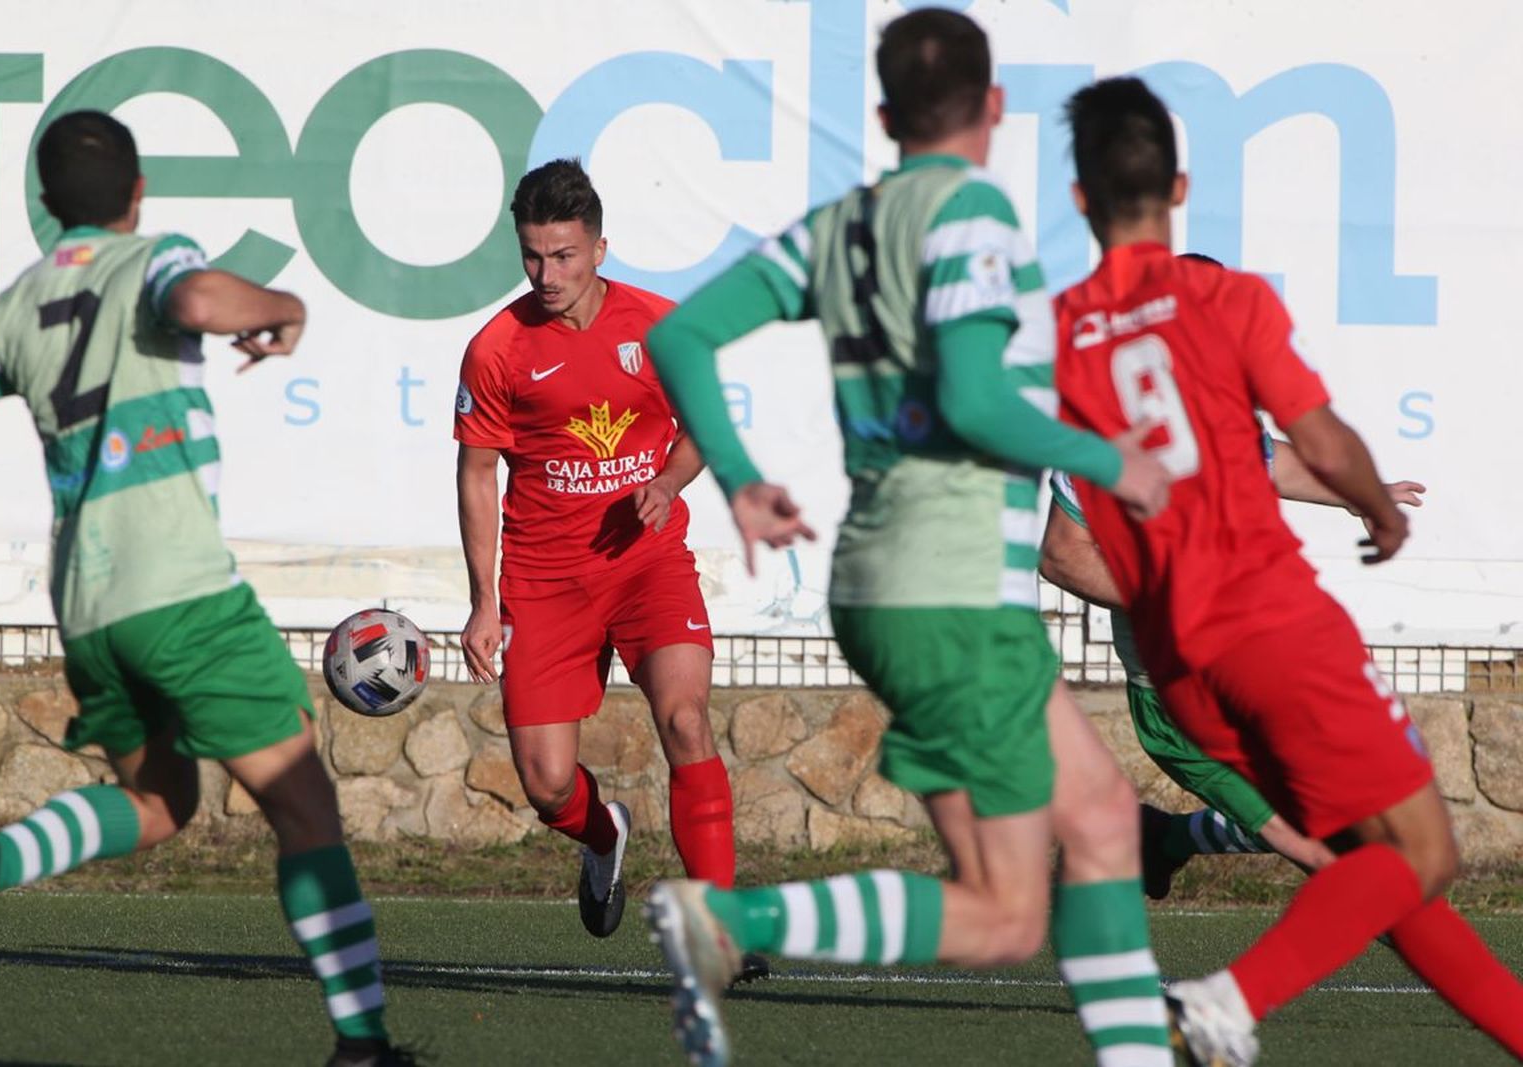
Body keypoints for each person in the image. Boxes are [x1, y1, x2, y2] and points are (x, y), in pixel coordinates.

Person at [643, 10, 1180, 1066]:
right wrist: (1114, 459)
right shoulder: (972, 213)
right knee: (1007, 912)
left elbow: (680, 332)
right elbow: (978, 400)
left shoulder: (842, 221)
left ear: (885, 116)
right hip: (956, 589)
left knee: (1107, 818)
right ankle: (730, 922)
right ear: (993, 107)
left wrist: (744, 481)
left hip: (880, 582)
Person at [0, 111, 412, 1067]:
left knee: (157, 802)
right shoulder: (154, 257)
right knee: (306, 811)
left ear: (43, 203)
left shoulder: (11, 307)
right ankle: (364, 1043)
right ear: (138, 193)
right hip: (182, 592)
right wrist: (285, 306)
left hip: (91, 610)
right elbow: (192, 300)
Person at [1053, 76, 1523, 1065]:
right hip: (1270, 625)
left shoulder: (1053, 339)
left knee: (1374, 865)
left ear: (1081, 198)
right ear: (1176, 186)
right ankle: (1228, 996)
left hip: (1182, 669)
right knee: (1425, 851)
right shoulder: (1224, 298)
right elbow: (1319, 434)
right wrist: (1380, 509)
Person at [1040, 261, 1427, 897]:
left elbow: (1271, 461)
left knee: (1351, 816)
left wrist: (1357, 492)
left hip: (1251, 662)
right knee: (1336, 857)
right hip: (1182, 692)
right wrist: (1172, 595)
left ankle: (1161, 840)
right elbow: (1061, 555)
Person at [454, 159, 746, 952]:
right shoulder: (498, 350)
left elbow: (703, 428)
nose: (547, 274)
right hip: (545, 584)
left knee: (685, 719)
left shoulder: (658, 329)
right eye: (532, 255)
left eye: (565, 255)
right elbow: (478, 474)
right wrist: (484, 598)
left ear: (601, 249)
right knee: (548, 785)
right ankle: (601, 834)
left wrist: (669, 479)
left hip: (648, 564)